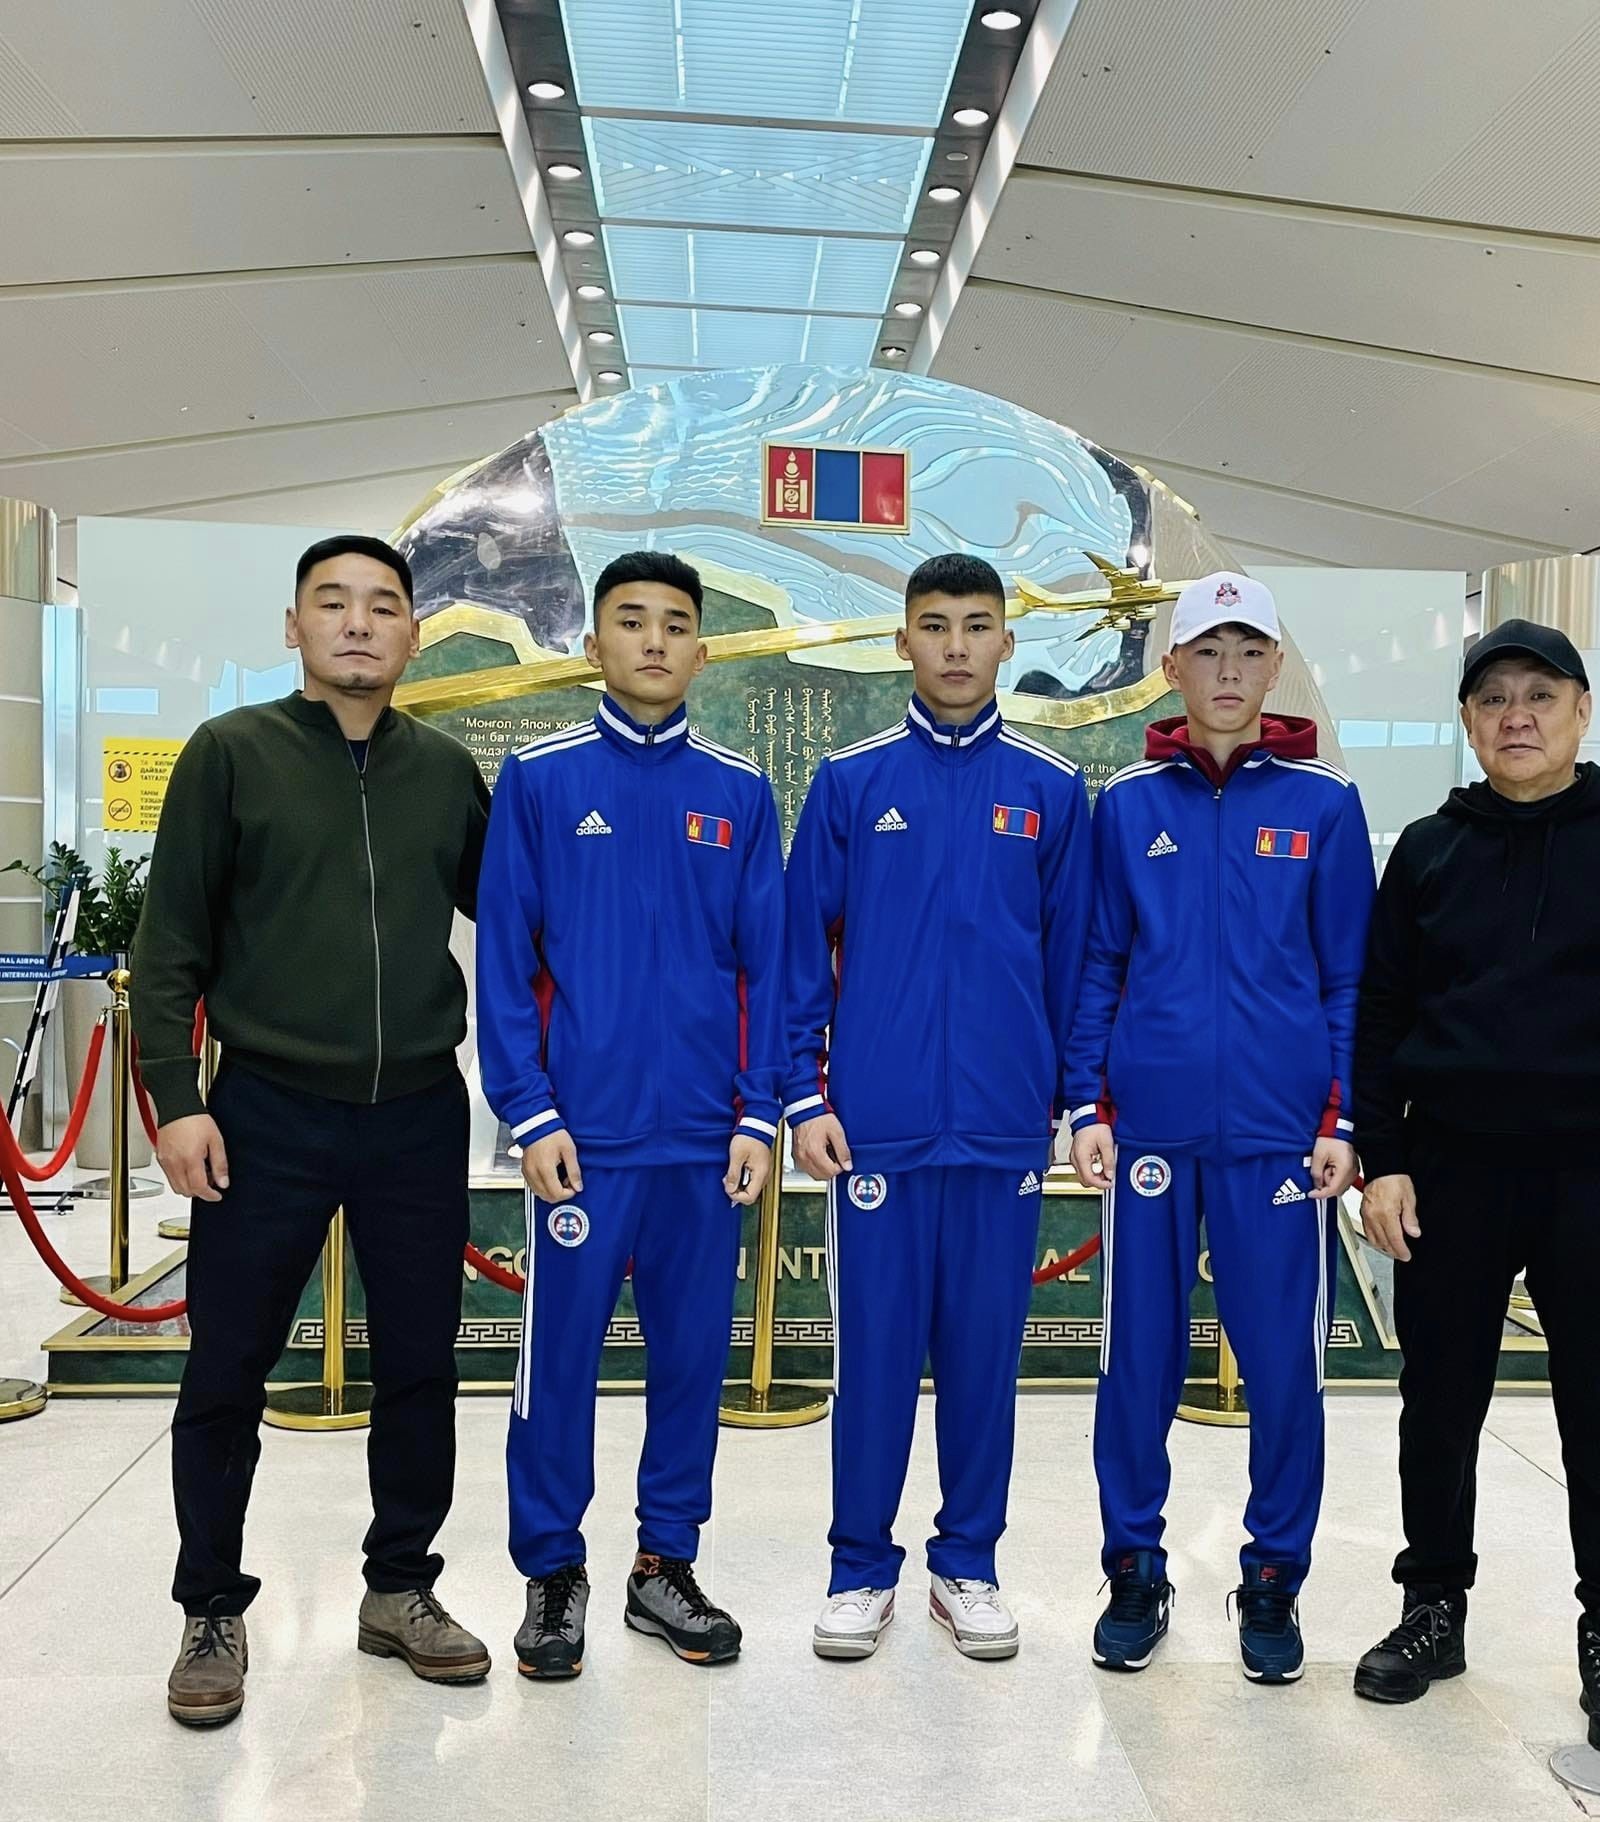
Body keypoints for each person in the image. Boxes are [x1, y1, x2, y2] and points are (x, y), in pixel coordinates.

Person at [1351, 618, 1600, 1758]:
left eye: (1539, 696)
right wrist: (1385, 1157)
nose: (1516, 716)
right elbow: (1380, 1015)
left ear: (1580, 712)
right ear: (1468, 721)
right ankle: (1432, 1606)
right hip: (1451, 1170)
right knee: (1439, 1401)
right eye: (1493, 699)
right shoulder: (1429, 850)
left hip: (1599, 1176)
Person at [134, 534, 493, 1729]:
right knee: (227, 1366)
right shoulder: (231, 754)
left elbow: (528, 915)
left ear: (413, 636)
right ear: (293, 626)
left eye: (382, 605)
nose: (356, 622)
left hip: (416, 1112)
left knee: (421, 1365)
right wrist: (177, 1097)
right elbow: (168, 943)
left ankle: (400, 1587)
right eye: (331, 602)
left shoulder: (444, 770)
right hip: (265, 1113)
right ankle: (210, 1606)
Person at [476, 550, 783, 1681]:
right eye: (631, 620)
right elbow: (506, 963)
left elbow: (768, 969)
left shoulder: (740, 791)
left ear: (702, 649)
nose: (654, 640)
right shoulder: (541, 780)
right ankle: (552, 1571)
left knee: (691, 1362)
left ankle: (666, 1563)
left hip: (704, 1144)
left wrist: (758, 1115)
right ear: (592, 641)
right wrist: (530, 1108)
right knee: (557, 1364)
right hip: (582, 1143)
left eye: (674, 623)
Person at [1065, 574, 1373, 1682]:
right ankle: (1133, 1567)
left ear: (1274, 666)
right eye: (1207, 651)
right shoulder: (1124, 804)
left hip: (1282, 1138)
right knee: (1135, 1364)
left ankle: (1273, 1577)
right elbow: (1100, 961)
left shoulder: (1324, 805)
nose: (1229, 671)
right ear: (1173, 669)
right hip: (1149, 1130)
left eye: (1248, 651)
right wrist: (1088, 1102)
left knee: (1283, 1370)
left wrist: (1341, 1114)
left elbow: (1349, 976)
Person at [785, 553, 1091, 1662]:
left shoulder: (1053, 790)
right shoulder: (849, 782)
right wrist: (803, 1093)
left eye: (976, 625)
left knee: (982, 1360)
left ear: (1007, 640)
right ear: (902, 641)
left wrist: (1072, 1099)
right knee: (872, 1357)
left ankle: (968, 1563)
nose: (956, 646)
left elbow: (1074, 963)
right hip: (877, 1124)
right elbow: (797, 954)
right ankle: (858, 1568)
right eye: (934, 625)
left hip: (1003, 1124)